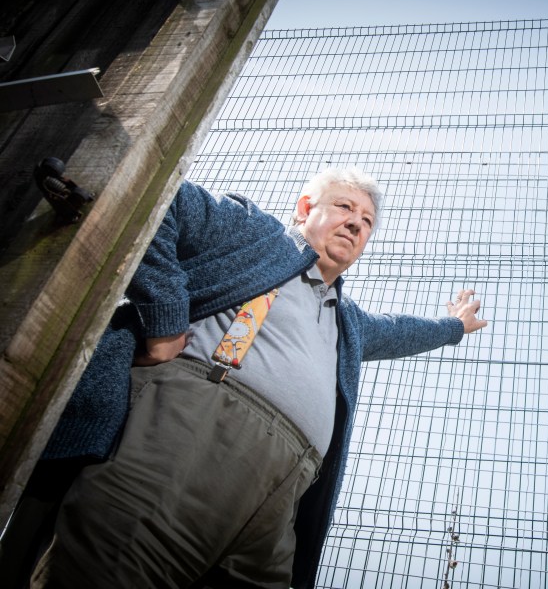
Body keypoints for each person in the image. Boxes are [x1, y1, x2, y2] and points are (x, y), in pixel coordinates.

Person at [16, 168, 486, 588]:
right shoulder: (258, 238)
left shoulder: (348, 322)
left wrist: (454, 328)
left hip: (285, 493)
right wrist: (165, 320)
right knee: (115, 569)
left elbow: (399, 332)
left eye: (366, 222)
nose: (356, 223)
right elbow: (161, 198)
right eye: (345, 207)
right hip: (191, 435)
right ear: (305, 209)